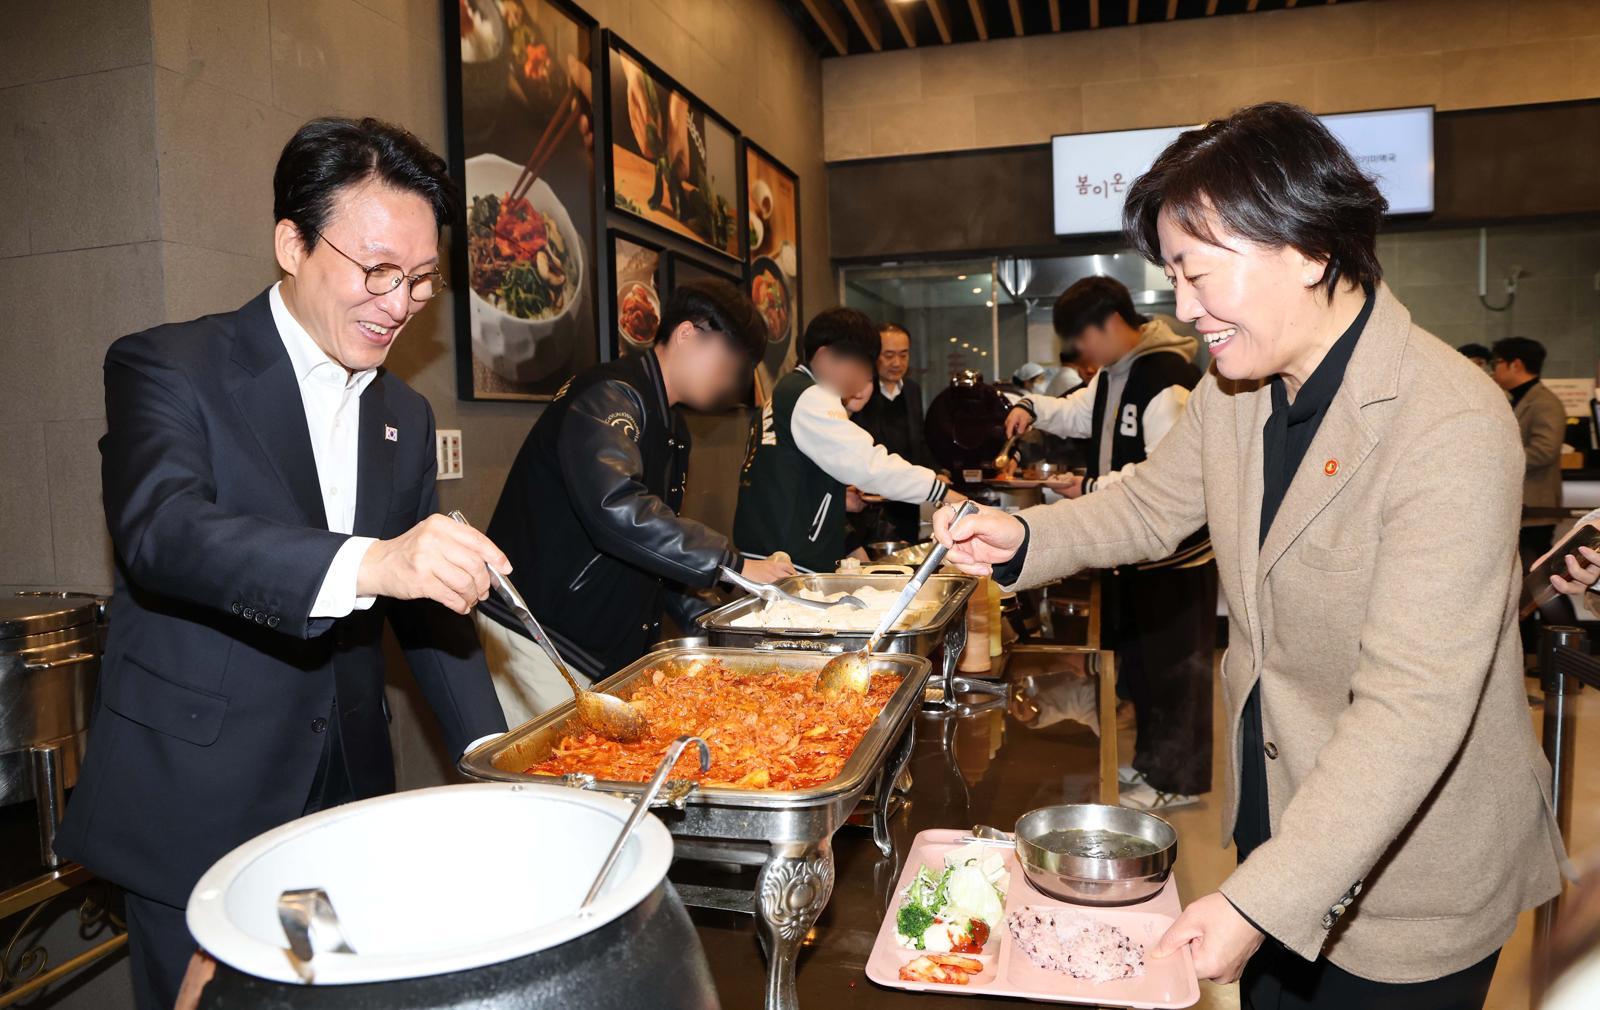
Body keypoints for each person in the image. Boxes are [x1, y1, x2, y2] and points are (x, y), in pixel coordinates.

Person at [932, 102, 1567, 1009]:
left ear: (1308, 248)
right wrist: (1028, 536)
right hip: (1279, 819)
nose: (1182, 309)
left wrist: (1260, 901)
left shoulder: (1451, 422)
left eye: (1195, 272)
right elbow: (1156, 503)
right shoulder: (1240, 390)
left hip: (1407, 883)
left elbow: (1414, 711)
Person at [54, 117, 513, 1010]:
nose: (399, 301)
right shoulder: (169, 365)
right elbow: (163, 532)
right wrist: (374, 560)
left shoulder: (403, 418)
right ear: (291, 243)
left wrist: (498, 763)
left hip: (334, 799)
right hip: (199, 795)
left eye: (421, 279)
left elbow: (424, 607)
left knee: (314, 988)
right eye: (377, 269)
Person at [481, 280, 792, 714]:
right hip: (540, 632)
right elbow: (618, 509)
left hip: (594, 640)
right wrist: (733, 564)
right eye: (733, 361)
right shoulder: (613, 393)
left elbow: (650, 550)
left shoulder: (673, 426)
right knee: (552, 778)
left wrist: (709, 617)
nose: (734, 381)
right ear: (688, 334)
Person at [1004, 275, 1215, 812]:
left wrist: (1091, 488)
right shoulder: (1117, 373)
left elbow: (1169, 477)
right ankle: (1151, 763)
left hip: (1176, 555)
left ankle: (1178, 780)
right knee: (1143, 667)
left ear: (1112, 322)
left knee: (1176, 672)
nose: (1081, 352)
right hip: (1136, 552)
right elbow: (1076, 413)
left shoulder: (1166, 376)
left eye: (1084, 338)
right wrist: (1031, 405)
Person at [734, 307, 960, 572]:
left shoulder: (788, 391)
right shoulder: (810, 396)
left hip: (768, 549)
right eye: (863, 367)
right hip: (788, 557)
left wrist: (838, 496)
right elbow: (868, 464)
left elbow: (791, 471)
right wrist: (941, 492)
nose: (864, 378)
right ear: (825, 356)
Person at [849, 322, 934, 543]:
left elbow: (919, 440)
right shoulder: (859, 391)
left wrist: (934, 472)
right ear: (874, 355)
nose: (897, 363)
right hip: (868, 503)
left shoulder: (912, 390)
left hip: (906, 500)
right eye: (888, 355)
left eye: (903, 355)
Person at [1491, 336, 1568, 572]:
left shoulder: (1544, 402)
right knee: (1525, 577)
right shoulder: (1518, 398)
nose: (1494, 370)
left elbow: (1545, 450)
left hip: (1536, 507)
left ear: (1516, 364)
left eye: (1497, 363)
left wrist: (1498, 459)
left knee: (1539, 577)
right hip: (1521, 506)